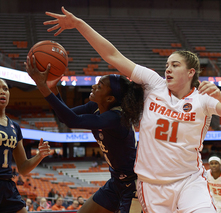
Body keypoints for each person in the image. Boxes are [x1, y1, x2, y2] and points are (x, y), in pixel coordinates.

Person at [43, 7, 221, 212]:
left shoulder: (202, 99)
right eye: (167, 64)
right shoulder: (153, 84)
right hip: (151, 185)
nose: (168, 68)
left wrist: (220, 95)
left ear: (190, 72)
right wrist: (79, 24)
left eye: (175, 65)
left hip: (189, 181)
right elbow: (113, 55)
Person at [26, 56, 144, 212]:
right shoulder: (94, 106)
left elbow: (74, 121)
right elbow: (65, 118)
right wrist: (53, 89)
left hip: (133, 185)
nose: (94, 86)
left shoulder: (116, 118)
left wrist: (43, 88)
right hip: (116, 182)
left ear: (110, 98)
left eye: (100, 86)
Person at [0, 78, 50, 213]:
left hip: (7, 185)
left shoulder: (14, 127)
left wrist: (40, 156)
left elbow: (22, 168)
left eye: (5, 89)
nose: (2, 92)